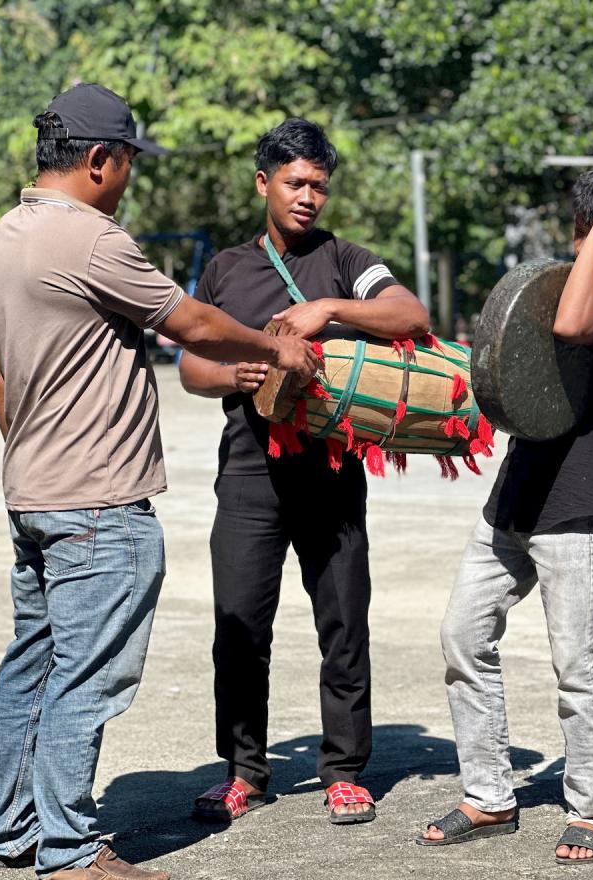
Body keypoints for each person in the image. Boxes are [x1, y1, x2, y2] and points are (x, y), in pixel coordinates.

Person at [0, 83, 319, 880]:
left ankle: (12, 830)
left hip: (35, 492)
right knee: (83, 677)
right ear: (100, 160)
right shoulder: (90, 240)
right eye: (127, 161)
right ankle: (68, 849)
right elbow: (192, 324)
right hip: (98, 500)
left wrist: (35, 459)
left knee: (32, 666)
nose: (130, 177)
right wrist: (279, 352)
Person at [417, 167, 593, 864]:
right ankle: (489, 796)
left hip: (578, 501)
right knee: (462, 637)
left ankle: (591, 810)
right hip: (514, 496)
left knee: (576, 665)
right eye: (583, 225)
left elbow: (572, 324)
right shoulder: (558, 281)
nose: (583, 241)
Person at [179, 118, 428, 826]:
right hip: (250, 476)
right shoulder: (227, 268)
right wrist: (236, 372)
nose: (308, 196)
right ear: (264, 183)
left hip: (333, 475)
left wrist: (329, 308)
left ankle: (344, 770)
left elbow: (410, 313)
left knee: (343, 622)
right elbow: (191, 365)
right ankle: (242, 772)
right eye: (295, 182)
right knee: (239, 626)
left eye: (319, 184)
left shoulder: (348, 260)